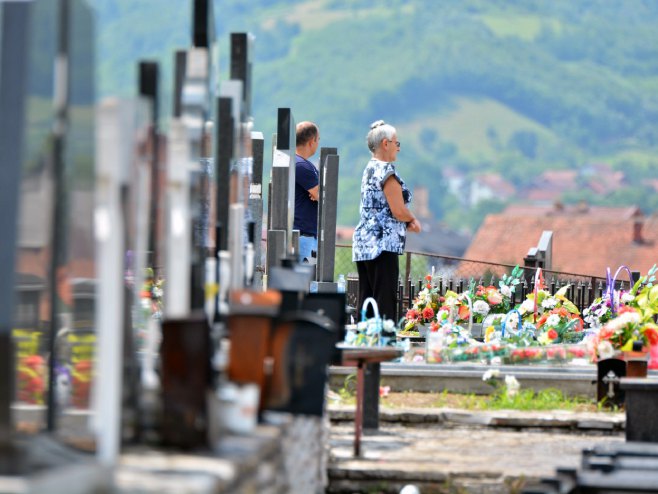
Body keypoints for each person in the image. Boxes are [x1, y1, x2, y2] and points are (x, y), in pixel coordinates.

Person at [352, 120, 421, 321]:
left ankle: (364, 342)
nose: (398, 148)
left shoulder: (370, 168)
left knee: (367, 300)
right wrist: (412, 219)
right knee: (384, 301)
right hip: (382, 244)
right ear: (385, 143)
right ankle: (384, 346)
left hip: (365, 243)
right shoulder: (386, 171)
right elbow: (398, 209)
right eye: (396, 143)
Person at [294, 121, 320, 263]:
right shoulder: (302, 166)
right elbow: (322, 195)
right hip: (304, 236)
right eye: (318, 140)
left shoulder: (297, 162)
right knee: (304, 280)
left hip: (305, 235)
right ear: (312, 141)